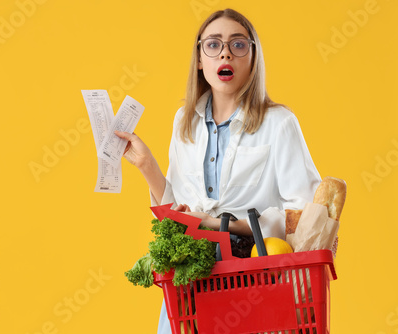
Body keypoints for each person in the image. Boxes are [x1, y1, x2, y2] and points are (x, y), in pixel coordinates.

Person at [115, 8, 321, 333]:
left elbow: (308, 215)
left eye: (238, 45)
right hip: (192, 282)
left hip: (252, 278)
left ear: (253, 58)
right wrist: (145, 164)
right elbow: (176, 212)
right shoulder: (185, 121)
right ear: (199, 59)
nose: (225, 52)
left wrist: (221, 224)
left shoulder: (279, 123)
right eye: (213, 44)